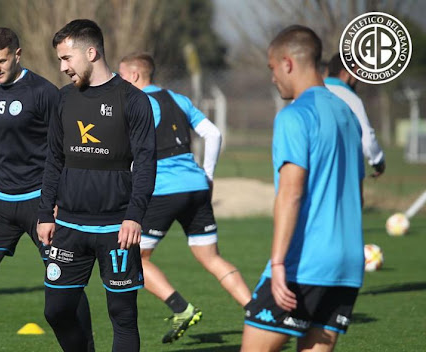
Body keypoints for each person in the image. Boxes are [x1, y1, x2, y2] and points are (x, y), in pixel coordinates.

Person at [0, 27, 94, 352]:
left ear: (17, 54)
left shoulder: (43, 93)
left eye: (1, 61)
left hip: (40, 204)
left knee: (64, 283)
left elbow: (66, 149)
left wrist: (58, 201)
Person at [241, 25, 365, 351]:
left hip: (304, 263)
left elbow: (291, 192)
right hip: (347, 267)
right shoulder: (348, 115)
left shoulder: (295, 116)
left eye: (271, 69)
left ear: (288, 63)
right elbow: (358, 194)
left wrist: (278, 263)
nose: (272, 78)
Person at [38, 19, 156, 352]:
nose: (62, 67)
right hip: (69, 225)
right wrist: (45, 212)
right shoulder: (63, 100)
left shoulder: (133, 100)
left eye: (66, 58)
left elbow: (146, 163)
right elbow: (53, 160)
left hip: (117, 227)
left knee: (122, 315)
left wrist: (135, 215)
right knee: (56, 310)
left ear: (91, 53)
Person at [118, 52, 252, 343]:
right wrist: (209, 175)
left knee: (133, 258)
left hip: (163, 189)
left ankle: (182, 308)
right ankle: (257, 313)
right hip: (196, 186)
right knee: (211, 257)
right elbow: (213, 134)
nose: (119, 82)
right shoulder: (180, 99)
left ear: (136, 76)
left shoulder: (135, 103)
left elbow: (127, 152)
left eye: (122, 76)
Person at [325, 52, 386, 177]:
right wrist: (377, 161)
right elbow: (367, 140)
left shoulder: (308, 93)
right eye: (356, 74)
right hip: (342, 175)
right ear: (344, 74)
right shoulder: (351, 99)